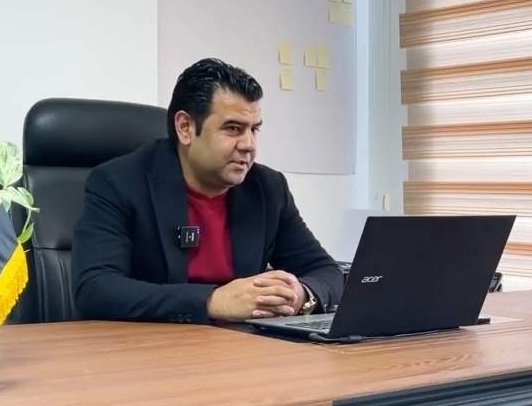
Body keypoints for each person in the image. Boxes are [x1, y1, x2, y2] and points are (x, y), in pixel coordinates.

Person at [72, 58, 343, 324]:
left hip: (243, 344)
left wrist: (301, 295)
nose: (249, 145)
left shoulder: (267, 188)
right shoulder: (119, 183)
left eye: (254, 130)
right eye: (233, 128)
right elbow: (96, 289)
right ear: (185, 128)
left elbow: (325, 271)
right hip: (154, 345)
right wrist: (212, 301)